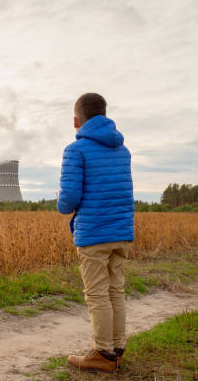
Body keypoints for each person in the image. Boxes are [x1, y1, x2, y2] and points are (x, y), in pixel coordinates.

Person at [57, 93, 134, 373]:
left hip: (94, 233)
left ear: (76, 121)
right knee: (116, 291)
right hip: (121, 232)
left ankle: (102, 353)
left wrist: (61, 204)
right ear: (104, 114)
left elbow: (69, 198)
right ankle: (117, 350)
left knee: (97, 294)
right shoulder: (122, 150)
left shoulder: (76, 150)